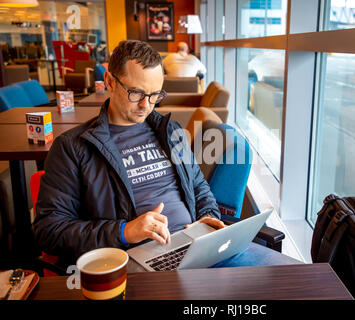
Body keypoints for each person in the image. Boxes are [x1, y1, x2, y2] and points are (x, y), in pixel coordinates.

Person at [32, 40, 224, 268]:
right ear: (110, 82)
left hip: (195, 247)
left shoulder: (170, 131)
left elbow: (199, 187)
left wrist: (206, 218)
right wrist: (125, 231)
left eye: (155, 95)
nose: (146, 105)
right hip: (128, 260)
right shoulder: (72, 148)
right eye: (136, 93)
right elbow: (49, 230)